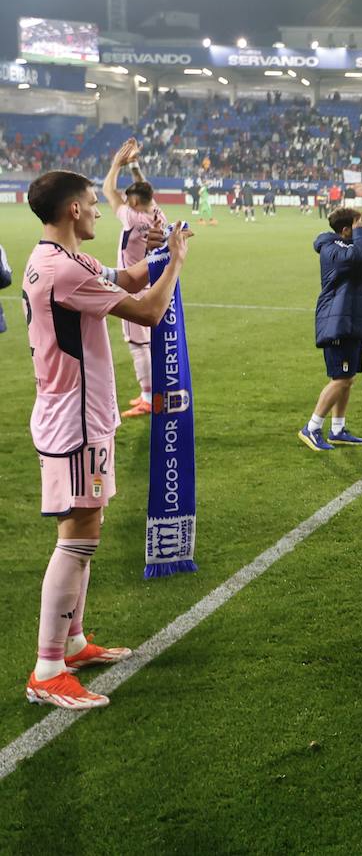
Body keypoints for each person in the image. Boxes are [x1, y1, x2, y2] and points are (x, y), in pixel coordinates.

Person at [21, 170, 190, 709]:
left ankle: (71, 642)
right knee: (79, 533)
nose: (99, 210)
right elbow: (147, 309)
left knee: (86, 528)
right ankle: (48, 668)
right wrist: (179, 264)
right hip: (74, 419)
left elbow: (131, 278)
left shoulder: (62, 259)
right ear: (73, 209)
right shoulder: (63, 270)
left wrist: (161, 255)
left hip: (81, 413)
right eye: (93, 204)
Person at [300, 208, 362, 451]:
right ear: (345, 230)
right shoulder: (333, 250)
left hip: (351, 321)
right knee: (340, 379)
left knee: (347, 378)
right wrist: (361, 230)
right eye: (359, 225)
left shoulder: (344, 249)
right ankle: (311, 427)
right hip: (338, 322)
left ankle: (337, 429)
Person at [100, 139, 158, 419]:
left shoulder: (132, 219)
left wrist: (116, 163)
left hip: (133, 287)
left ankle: (148, 397)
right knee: (146, 343)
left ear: (133, 202)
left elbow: (107, 191)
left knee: (138, 345)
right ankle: (151, 392)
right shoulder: (156, 214)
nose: (124, 201)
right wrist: (134, 166)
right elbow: (145, 190)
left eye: (128, 199)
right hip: (152, 285)